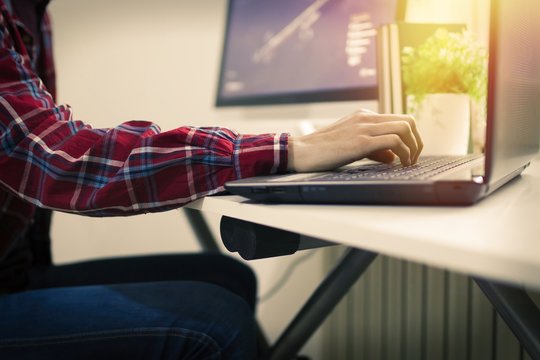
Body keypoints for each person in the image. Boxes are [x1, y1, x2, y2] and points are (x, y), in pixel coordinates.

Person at [0, 0, 422, 359]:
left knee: (228, 277)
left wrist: (290, 148)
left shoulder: (34, 14)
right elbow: (62, 159)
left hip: (18, 272)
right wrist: (288, 149)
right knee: (215, 320)